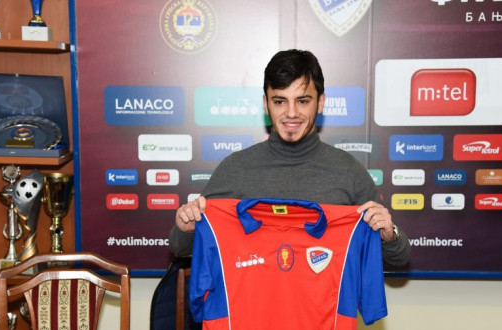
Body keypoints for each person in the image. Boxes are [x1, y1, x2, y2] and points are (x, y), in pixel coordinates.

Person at [169, 49, 410, 266]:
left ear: (321, 103)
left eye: (303, 101)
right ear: (266, 104)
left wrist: (389, 234)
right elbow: (181, 248)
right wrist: (187, 228)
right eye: (280, 101)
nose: (291, 113)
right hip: (253, 302)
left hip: (326, 303)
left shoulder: (348, 171)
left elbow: (399, 256)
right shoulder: (235, 169)